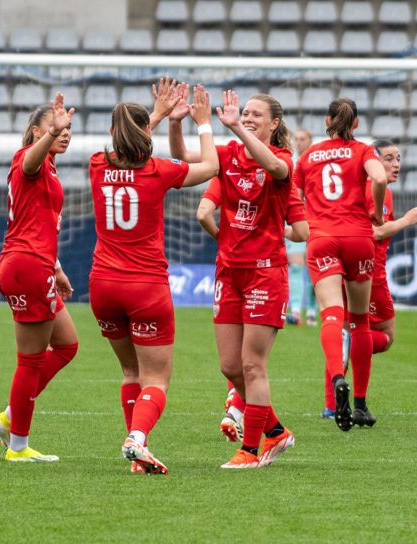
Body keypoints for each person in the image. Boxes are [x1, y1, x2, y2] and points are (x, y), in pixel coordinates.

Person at [89, 81, 219, 474]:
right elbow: (212, 166)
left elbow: (123, 145)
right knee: (157, 379)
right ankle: (137, 439)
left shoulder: (97, 164)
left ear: (113, 134)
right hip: (145, 286)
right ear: (145, 133)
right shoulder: (157, 171)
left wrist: (155, 115)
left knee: (130, 373)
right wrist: (203, 124)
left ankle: (136, 453)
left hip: (103, 285)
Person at [175, 90, 309, 469]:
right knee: (230, 368)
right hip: (228, 272)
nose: (247, 117)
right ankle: (277, 431)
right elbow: (185, 157)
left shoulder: (281, 159)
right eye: (244, 113)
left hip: (265, 272)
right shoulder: (228, 156)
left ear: (274, 124)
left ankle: (250, 450)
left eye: (255, 114)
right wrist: (175, 123)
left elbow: (278, 170)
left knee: (253, 365)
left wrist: (235, 127)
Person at [0, 93, 80, 462]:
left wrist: (56, 267)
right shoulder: (28, 160)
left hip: (36, 264)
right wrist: (46, 138)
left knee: (68, 344)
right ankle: (18, 446)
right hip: (24, 265)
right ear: (37, 130)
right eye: (56, 127)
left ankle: (11, 414)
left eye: (69, 128)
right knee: (29, 359)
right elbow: (28, 161)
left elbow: (38, 222)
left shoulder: (51, 168)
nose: (65, 133)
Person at [295, 97, 388, 432]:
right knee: (360, 321)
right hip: (358, 238)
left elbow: (290, 197)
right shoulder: (363, 151)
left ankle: (337, 380)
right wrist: (376, 212)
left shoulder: (307, 157)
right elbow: (379, 179)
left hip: (322, 238)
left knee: (331, 313)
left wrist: (299, 228)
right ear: (357, 124)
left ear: (326, 122)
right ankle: (361, 404)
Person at [315, 139, 417, 423]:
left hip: (339, 265)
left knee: (344, 327)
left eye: (398, 158)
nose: (395, 164)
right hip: (368, 271)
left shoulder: (351, 187)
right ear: (373, 161)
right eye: (388, 158)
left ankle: (330, 405)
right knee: (384, 336)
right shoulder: (378, 190)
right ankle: (347, 348)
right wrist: (406, 221)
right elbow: (375, 233)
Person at [286, 128, 316, 327]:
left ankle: (312, 312)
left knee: (315, 269)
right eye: (296, 139)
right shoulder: (290, 161)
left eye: (302, 139)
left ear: (310, 140)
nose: (298, 142)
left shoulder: (316, 160)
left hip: (317, 220)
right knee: (296, 266)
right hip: (296, 219)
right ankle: (296, 311)